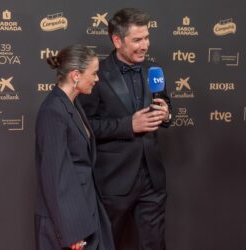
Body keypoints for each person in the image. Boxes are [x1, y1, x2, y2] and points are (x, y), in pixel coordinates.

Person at [78, 8, 171, 250]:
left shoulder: (154, 70)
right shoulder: (97, 74)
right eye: (137, 40)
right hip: (113, 181)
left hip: (152, 179)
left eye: (147, 37)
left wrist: (167, 114)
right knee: (107, 245)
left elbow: (166, 105)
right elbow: (85, 127)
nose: (145, 45)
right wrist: (128, 125)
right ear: (117, 40)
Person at [35, 45, 115, 250]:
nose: (97, 79)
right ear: (75, 75)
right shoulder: (52, 111)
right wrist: (71, 231)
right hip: (68, 223)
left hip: (86, 210)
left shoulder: (72, 104)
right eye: (94, 73)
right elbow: (55, 176)